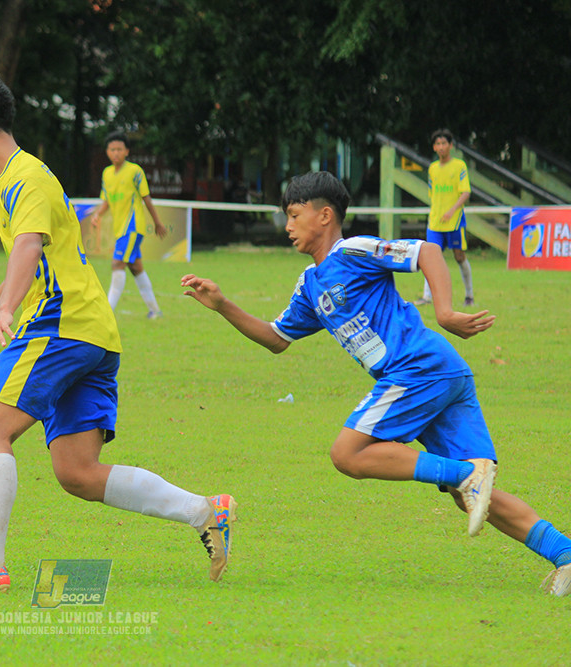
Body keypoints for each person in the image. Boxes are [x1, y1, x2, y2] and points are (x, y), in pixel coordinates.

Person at [181, 171, 571, 596]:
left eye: (294, 215)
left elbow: (427, 251)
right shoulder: (310, 284)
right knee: (471, 496)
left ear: (324, 215)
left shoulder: (353, 251)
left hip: (418, 368)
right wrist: (222, 305)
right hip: (437, 374)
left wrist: (444, 312)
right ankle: (565, 553)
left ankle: (464, 473)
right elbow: (277, 338)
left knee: (347, 453)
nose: (287, 226)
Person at [0, 71, 232, 593]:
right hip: (93, 332)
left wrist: (6, 312)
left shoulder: (24, 179)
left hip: (58, 327)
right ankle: (206, 511)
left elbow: (28, 248)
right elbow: (35, 259)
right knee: (77, 471)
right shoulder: (21, 177)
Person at [88, 132, 167, 318]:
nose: (116, 153)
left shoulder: (135, 171)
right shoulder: (107, 173)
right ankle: (155, 311)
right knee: (136, 267)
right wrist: (97, 215)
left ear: (127, 151)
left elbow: (146, 198)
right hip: (120, 229)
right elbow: (107, 200)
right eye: (112, 149)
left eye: (119, 149)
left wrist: (157, 222)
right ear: (107, 152)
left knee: (117, 263)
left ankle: (107, 314)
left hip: (132, 227)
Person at [415, 128, 474, 306]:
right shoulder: (433, 169)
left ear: (450, 146)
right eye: (437, 144)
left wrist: (452, 210)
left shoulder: (459, 166)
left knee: (459, 257)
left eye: (444, 143)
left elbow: (465, 192)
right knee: (430, 257)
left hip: (454, 221)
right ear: (434, 147)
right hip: (435, 222)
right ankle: (427, 296)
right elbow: (432, 193)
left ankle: (469, 296)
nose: (441, 147)